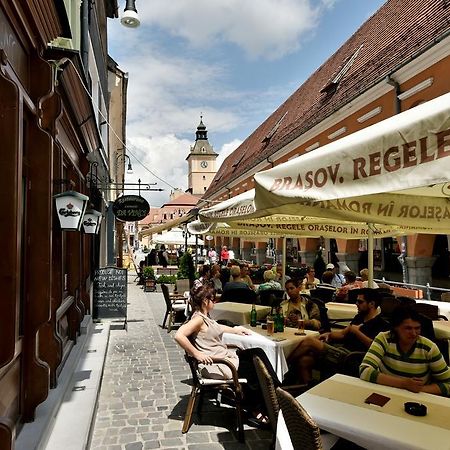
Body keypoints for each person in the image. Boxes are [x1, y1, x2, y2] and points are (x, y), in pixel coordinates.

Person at [174, 284, 280, 425]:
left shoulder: (204, 317)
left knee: (256, 354)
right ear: (205, 301)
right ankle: (267, 402)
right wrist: (197, 354)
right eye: (213, 299)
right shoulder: (198, 319)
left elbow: (217, 327)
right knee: (254, 370)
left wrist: (235, 330)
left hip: (224, 359)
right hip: (219, 365)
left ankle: (273, 395)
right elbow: (179, 335)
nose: (215, 302)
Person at [288, 288, 389, 384]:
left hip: (353, 358)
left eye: (360, 302)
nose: (356, 304)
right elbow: (342, 334)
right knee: (304, 361)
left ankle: (282, 366)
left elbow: (374, 347)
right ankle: (308, 389)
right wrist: (329, 334)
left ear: (371, 304)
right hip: (341, 350)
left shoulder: (381, 324)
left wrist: (357, 332)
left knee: (310, 341)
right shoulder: (359, 317)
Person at [360, 306, 450, 396]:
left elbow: (448, 384)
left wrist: (419, 388)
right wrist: (404, 384)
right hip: (386, 393)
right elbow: (364, 371)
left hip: (418, 398)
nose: (414, 333)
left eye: (417, 328)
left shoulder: (429, 348)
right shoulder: (384, 339)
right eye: (408, 328)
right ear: (396, 328)